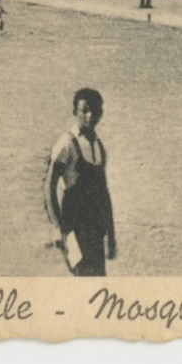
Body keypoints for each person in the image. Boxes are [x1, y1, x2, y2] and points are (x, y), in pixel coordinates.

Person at [44, 88, 116, 276]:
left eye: (95, 110)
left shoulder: (98, 146)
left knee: (98, 284)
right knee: (83, 281)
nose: (90, 115)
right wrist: (57, 228)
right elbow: (49, 187)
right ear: (75, 111)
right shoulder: (66, 144)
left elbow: (104, 193)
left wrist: (111, 235)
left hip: (96, 230)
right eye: (85, 110)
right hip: (74, 228)